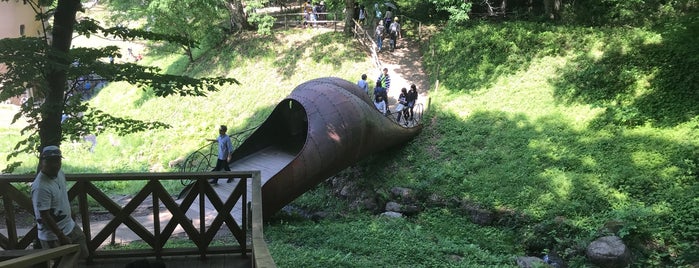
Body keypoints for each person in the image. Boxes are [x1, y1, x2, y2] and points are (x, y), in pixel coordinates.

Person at [32, 145, 89, 263]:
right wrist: (61, 236)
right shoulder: (41, 187)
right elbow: (44, 215)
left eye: (57, 160)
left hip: (69, 225)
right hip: (53, 236)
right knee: (62, 264)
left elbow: (61, 194)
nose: (54, 164)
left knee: (83, 254)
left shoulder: (59, 174)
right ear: (43, 161)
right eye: (50, 161)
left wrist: (70, 211)